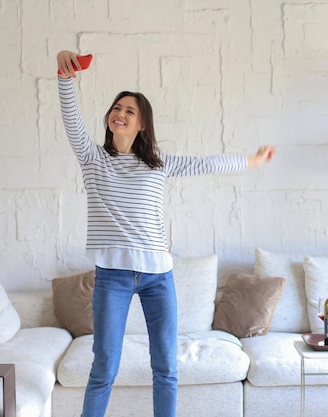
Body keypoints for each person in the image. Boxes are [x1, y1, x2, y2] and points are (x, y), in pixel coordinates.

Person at [56, 49, 275, 417]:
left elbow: (208, 163)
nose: (120, 113)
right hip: (113, 278)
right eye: (116, 108)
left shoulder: (158, 164)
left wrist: (252, 161)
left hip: (159, 277)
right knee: (104, 367)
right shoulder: (93, 158)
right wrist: (65, 76)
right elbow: (70, 117)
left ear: (142, 124)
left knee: (166, 369)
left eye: (130, 111)